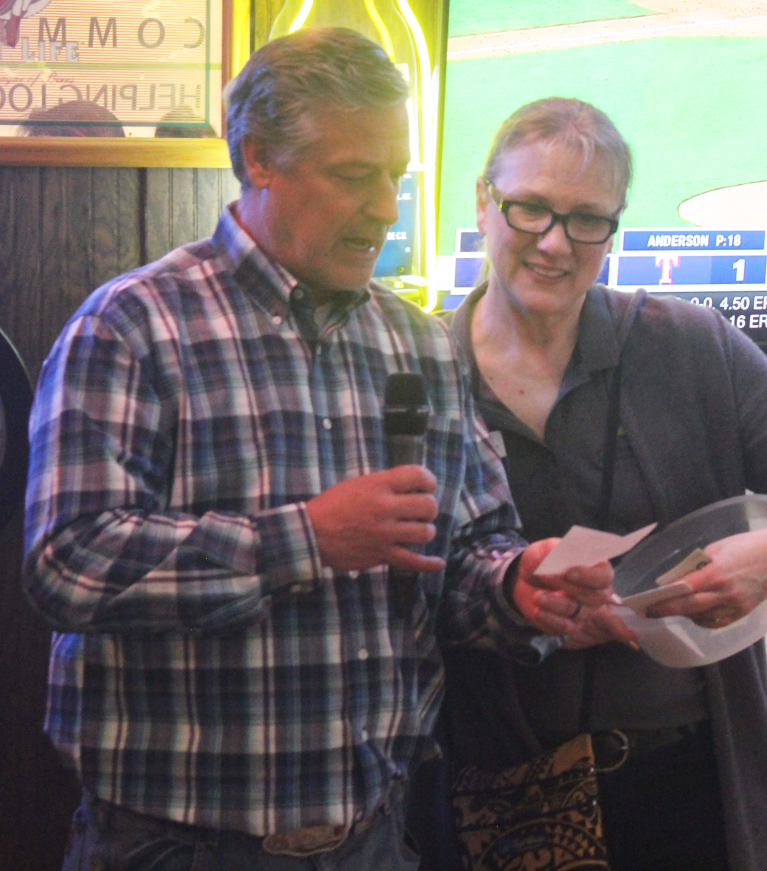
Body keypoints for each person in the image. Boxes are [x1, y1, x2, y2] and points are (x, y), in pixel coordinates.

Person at [21, 35, 611, 871]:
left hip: (374, 837)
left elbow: (469, 553)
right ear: (259, 159)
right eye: (352, 175)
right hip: (172, 846)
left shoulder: (417, 345)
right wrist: (303, 538)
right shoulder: (132, 326)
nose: (385, 208)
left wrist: (522, 583)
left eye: (394, 177)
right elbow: (66, 566)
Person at [422, 97, 767, 871]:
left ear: (615, 225)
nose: (553, 242)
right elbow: (383, 587)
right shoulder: (417, 370)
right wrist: (513, 595)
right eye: (529, 209)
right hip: (496, 802)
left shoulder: (690, 348)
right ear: (481, 200)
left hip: (689, 789)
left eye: (585, 219)